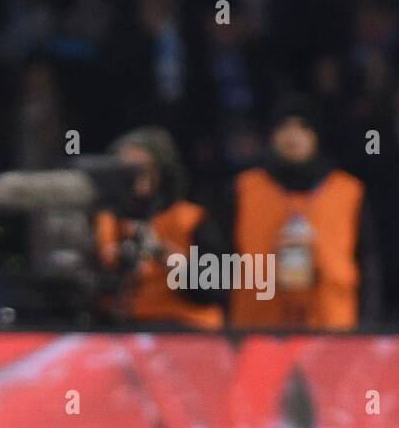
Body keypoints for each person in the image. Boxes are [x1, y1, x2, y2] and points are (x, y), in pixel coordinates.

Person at [226, 95, 380, 329]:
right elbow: (221, 263)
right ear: (271, 136)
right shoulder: (243, 189)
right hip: (256, 332)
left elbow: (368, 267)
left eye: (303, 128)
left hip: (333, 332)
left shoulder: (348, 192)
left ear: (317, 136)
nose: (293, 136)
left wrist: (368, 331)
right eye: (284, 127)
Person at [94, 126, 226, 329]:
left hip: (185, 328)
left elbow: (215, 290)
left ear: (161, 171)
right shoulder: (105, 220)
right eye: (124, 170)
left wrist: (175, 263)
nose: (133, 178)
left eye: (141, 169)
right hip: (122, 329)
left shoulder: (190, 218)